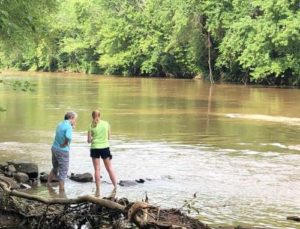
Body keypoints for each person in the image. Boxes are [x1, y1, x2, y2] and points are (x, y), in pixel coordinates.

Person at [87, 110, 117, 197]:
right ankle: (115, 186)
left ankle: (98, 189)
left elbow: (89, 141)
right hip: (105, 148)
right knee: (110, 168)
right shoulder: (106, 124)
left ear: (92, 116)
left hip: (95, 148)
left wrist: (94, 138)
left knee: (97, 169)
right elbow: (109, 137)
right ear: (100, 115)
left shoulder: (90, 125)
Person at [47, 111, 77, 191]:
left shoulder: (60, 124)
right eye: (75, 119)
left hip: (54, 148)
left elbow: (63, 132)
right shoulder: (68, 127)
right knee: (63, 171)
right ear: (71, 118)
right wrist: (65, 143)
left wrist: (71, 126)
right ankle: (62, 192)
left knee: (55, 168)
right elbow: (68, 137)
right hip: (62, 150)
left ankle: (48, 184)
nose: (75, 121)